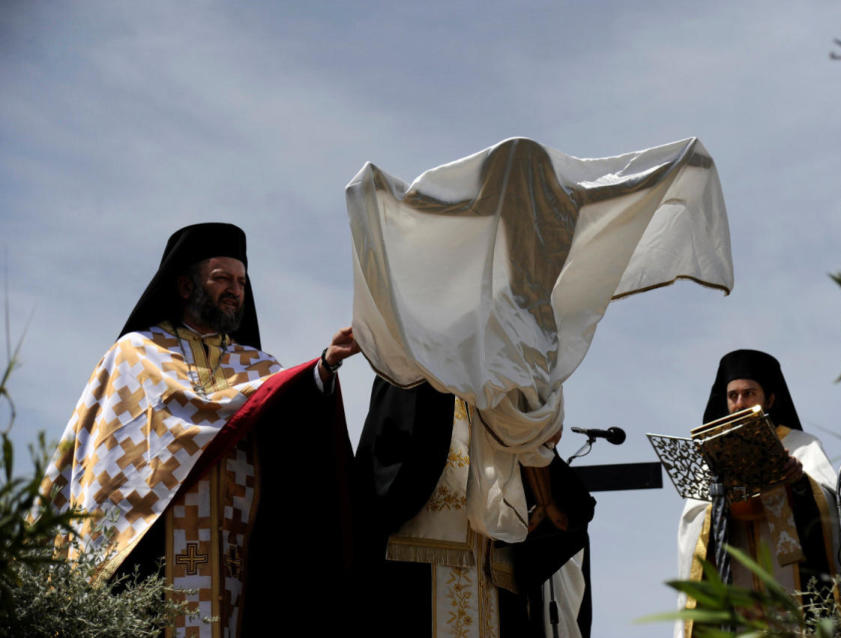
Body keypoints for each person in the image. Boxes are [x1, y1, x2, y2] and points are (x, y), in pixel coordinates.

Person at [41, 223, 359, 637]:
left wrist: (323, 368)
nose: (234, 289)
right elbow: (99, 456)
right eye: (221, 278)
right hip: (155, 542)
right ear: (186, 286)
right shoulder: (136, 354)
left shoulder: (260, 368)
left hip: (236, 548)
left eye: (241, 281)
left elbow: (291, 433)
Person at [355, 376, 594, 638]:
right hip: (417, 579)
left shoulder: (507, 403)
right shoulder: (412, 372)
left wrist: (538, 441)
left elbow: (563, 511)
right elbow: (381, 472)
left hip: (496, 591)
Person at [675, 350, 841, 638]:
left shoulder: (803, 446)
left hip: (792, 588)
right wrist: (719, 502)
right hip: (736, 589)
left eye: (749, 393)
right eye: (733, 395)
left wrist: (799, 482)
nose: (739, 404)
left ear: (770, 399)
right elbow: (692, 527)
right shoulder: (709, 458)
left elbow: (836, 510)